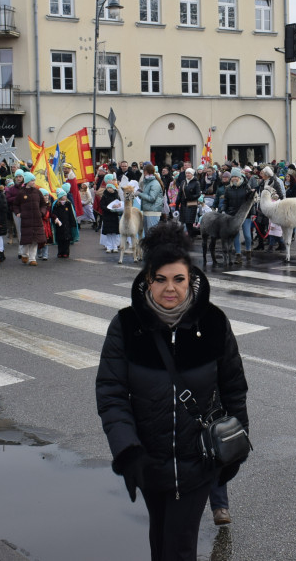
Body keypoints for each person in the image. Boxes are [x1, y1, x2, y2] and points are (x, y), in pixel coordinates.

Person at [95, 222, 249, 561]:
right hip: (149, 461)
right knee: (160, 541)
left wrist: (238, 444)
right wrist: (128, 450)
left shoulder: (213, 323)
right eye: (161, 279)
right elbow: (111, 393)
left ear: (190, 278)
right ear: (148, 279)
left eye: (178, 279)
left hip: (197, 463)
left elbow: (234, 388)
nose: (170, 289)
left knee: (179, 548)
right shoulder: (126, 326)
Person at [14, 172, 47, 266]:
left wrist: (42, 212)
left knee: (35, 240)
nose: (34, 182)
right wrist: (18, 213)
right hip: (26, 220)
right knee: (26, 240)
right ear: (28, 181)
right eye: (32, 180)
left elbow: (43, 204)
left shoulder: (37, 191)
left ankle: (32, 259)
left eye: (34, 180)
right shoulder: (21, 192)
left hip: (37, 220)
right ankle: (24, 254)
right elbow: (15, 204)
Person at [100, 174, 124, 253]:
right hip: (107, 216)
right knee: (108, 233)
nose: (109, 189)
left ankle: (115, 246)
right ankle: (109, 246)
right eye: (108, 188)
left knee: (114, 232)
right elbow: (102, 205)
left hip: (114, 216)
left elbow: (120, 203)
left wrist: (118, 207)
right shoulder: (104, 195)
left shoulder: (116, 195)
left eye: (110, 187)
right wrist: (108, 209)